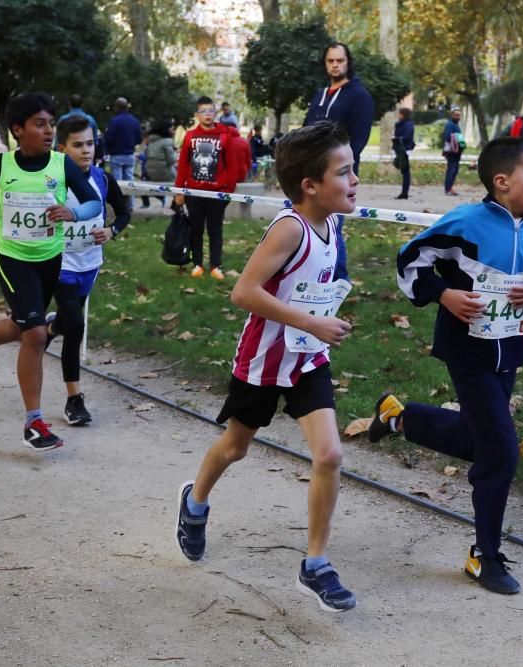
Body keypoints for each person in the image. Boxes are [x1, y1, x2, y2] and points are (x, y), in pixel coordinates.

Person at [368, 136, 523, 596]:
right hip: (468, 352)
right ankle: (483, 556)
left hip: (511, 350)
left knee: (475, 439)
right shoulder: (465, 223)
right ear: (502, 182)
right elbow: (410, 261)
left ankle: (398, 416)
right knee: (500, 451)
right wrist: (444, 294)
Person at [175, 121, 358, 613]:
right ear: (310, 186)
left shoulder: (333, 222)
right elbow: (244, 292)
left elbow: (314, 281)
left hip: (307, 360)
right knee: (235, 446)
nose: (355, 180)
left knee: (329, 455)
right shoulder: (288, 228)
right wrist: (309, 320)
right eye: (345, 172)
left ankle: (315, 564)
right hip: (263, 361)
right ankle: (195, 502)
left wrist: (327, 309)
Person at [0, 92, 102, 451]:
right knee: (36, 333)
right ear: (18, 129)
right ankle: (33, 423)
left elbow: (94, 202)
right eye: (40, 123)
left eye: (51, 123)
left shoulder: (62, 165)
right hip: (13, 259)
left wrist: (74, 214)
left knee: (25, 324)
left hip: (50, 259)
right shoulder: (1, 165)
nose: (49, 130)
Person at [45, 116, 131, 425]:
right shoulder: (51, 179)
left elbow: (124, 213)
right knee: (77, 326)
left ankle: (52, 328)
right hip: (58, 262)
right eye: (78, 145)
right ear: (62, 148)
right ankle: (74, 400)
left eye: (90, 144)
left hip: (89, 263)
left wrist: (111, 232)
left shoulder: (103, 179)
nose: (86, 151)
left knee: (69, 322)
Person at [303, 42, 374, 282]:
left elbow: (358, 140)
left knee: (332, 227)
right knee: (309, 226)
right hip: (310, 173)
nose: (335, 65)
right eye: (330, 61)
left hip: (338, 175)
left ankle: (338, 282)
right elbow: (306, 131)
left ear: (348, 62)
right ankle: (313, 277)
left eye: (339, 61)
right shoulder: (320, 94)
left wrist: (338, 169)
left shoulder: (359, 95)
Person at [173, 96, 237, 281]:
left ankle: (216, 265)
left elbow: (231, 164)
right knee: (196, 229)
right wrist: (179, 191)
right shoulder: (190, 136)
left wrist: (229, 190)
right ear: (197, 114)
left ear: (215, 113)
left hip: (218, 192)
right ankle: (198, 264)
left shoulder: (225, 135)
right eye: (203, 111)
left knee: (215, 229)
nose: (207, 115)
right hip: (194, 192)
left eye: (211, 111)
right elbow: (183, 165)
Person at [104, 97, 142, 208]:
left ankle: (119, 207)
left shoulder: (114, 121)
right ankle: (129, 206)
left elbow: (109, 138)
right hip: (130, 154)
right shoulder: (134, 121)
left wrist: (109, 149)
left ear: (117, 107)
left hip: (116, 155)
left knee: (117, 183)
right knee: (129, 182)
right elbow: (139, 138)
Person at [142, 120, 176, 208]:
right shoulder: (168, 141)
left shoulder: (151, 141)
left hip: (151, 174)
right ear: (166, 130)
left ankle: (165, 200)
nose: (174, 131)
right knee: (181, 180)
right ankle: (176, 205)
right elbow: (172, 160)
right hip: (164, 174)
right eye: (172, 129)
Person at [393, 107, 415, 200]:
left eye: (400, 114)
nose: (398, 116)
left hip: (404, 149)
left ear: (403, 115)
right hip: (399, 148)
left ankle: (404, 192)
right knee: (403, 169)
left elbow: (407, 136)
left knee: (405, 171)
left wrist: (396, 139)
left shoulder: (408, 124)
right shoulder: (400, 124)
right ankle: (404, 192)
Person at [443, 107, 465, 196]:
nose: (458, 117)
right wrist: (458, 140)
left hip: (456, 151)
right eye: (456, 115)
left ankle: (449, 187)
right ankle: (448, 188)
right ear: (452, 115)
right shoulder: (450, 124)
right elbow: (448, 137)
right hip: (452, 151)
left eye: (459, 115)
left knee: (454, 169)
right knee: (452, 169)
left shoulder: (455, 125)